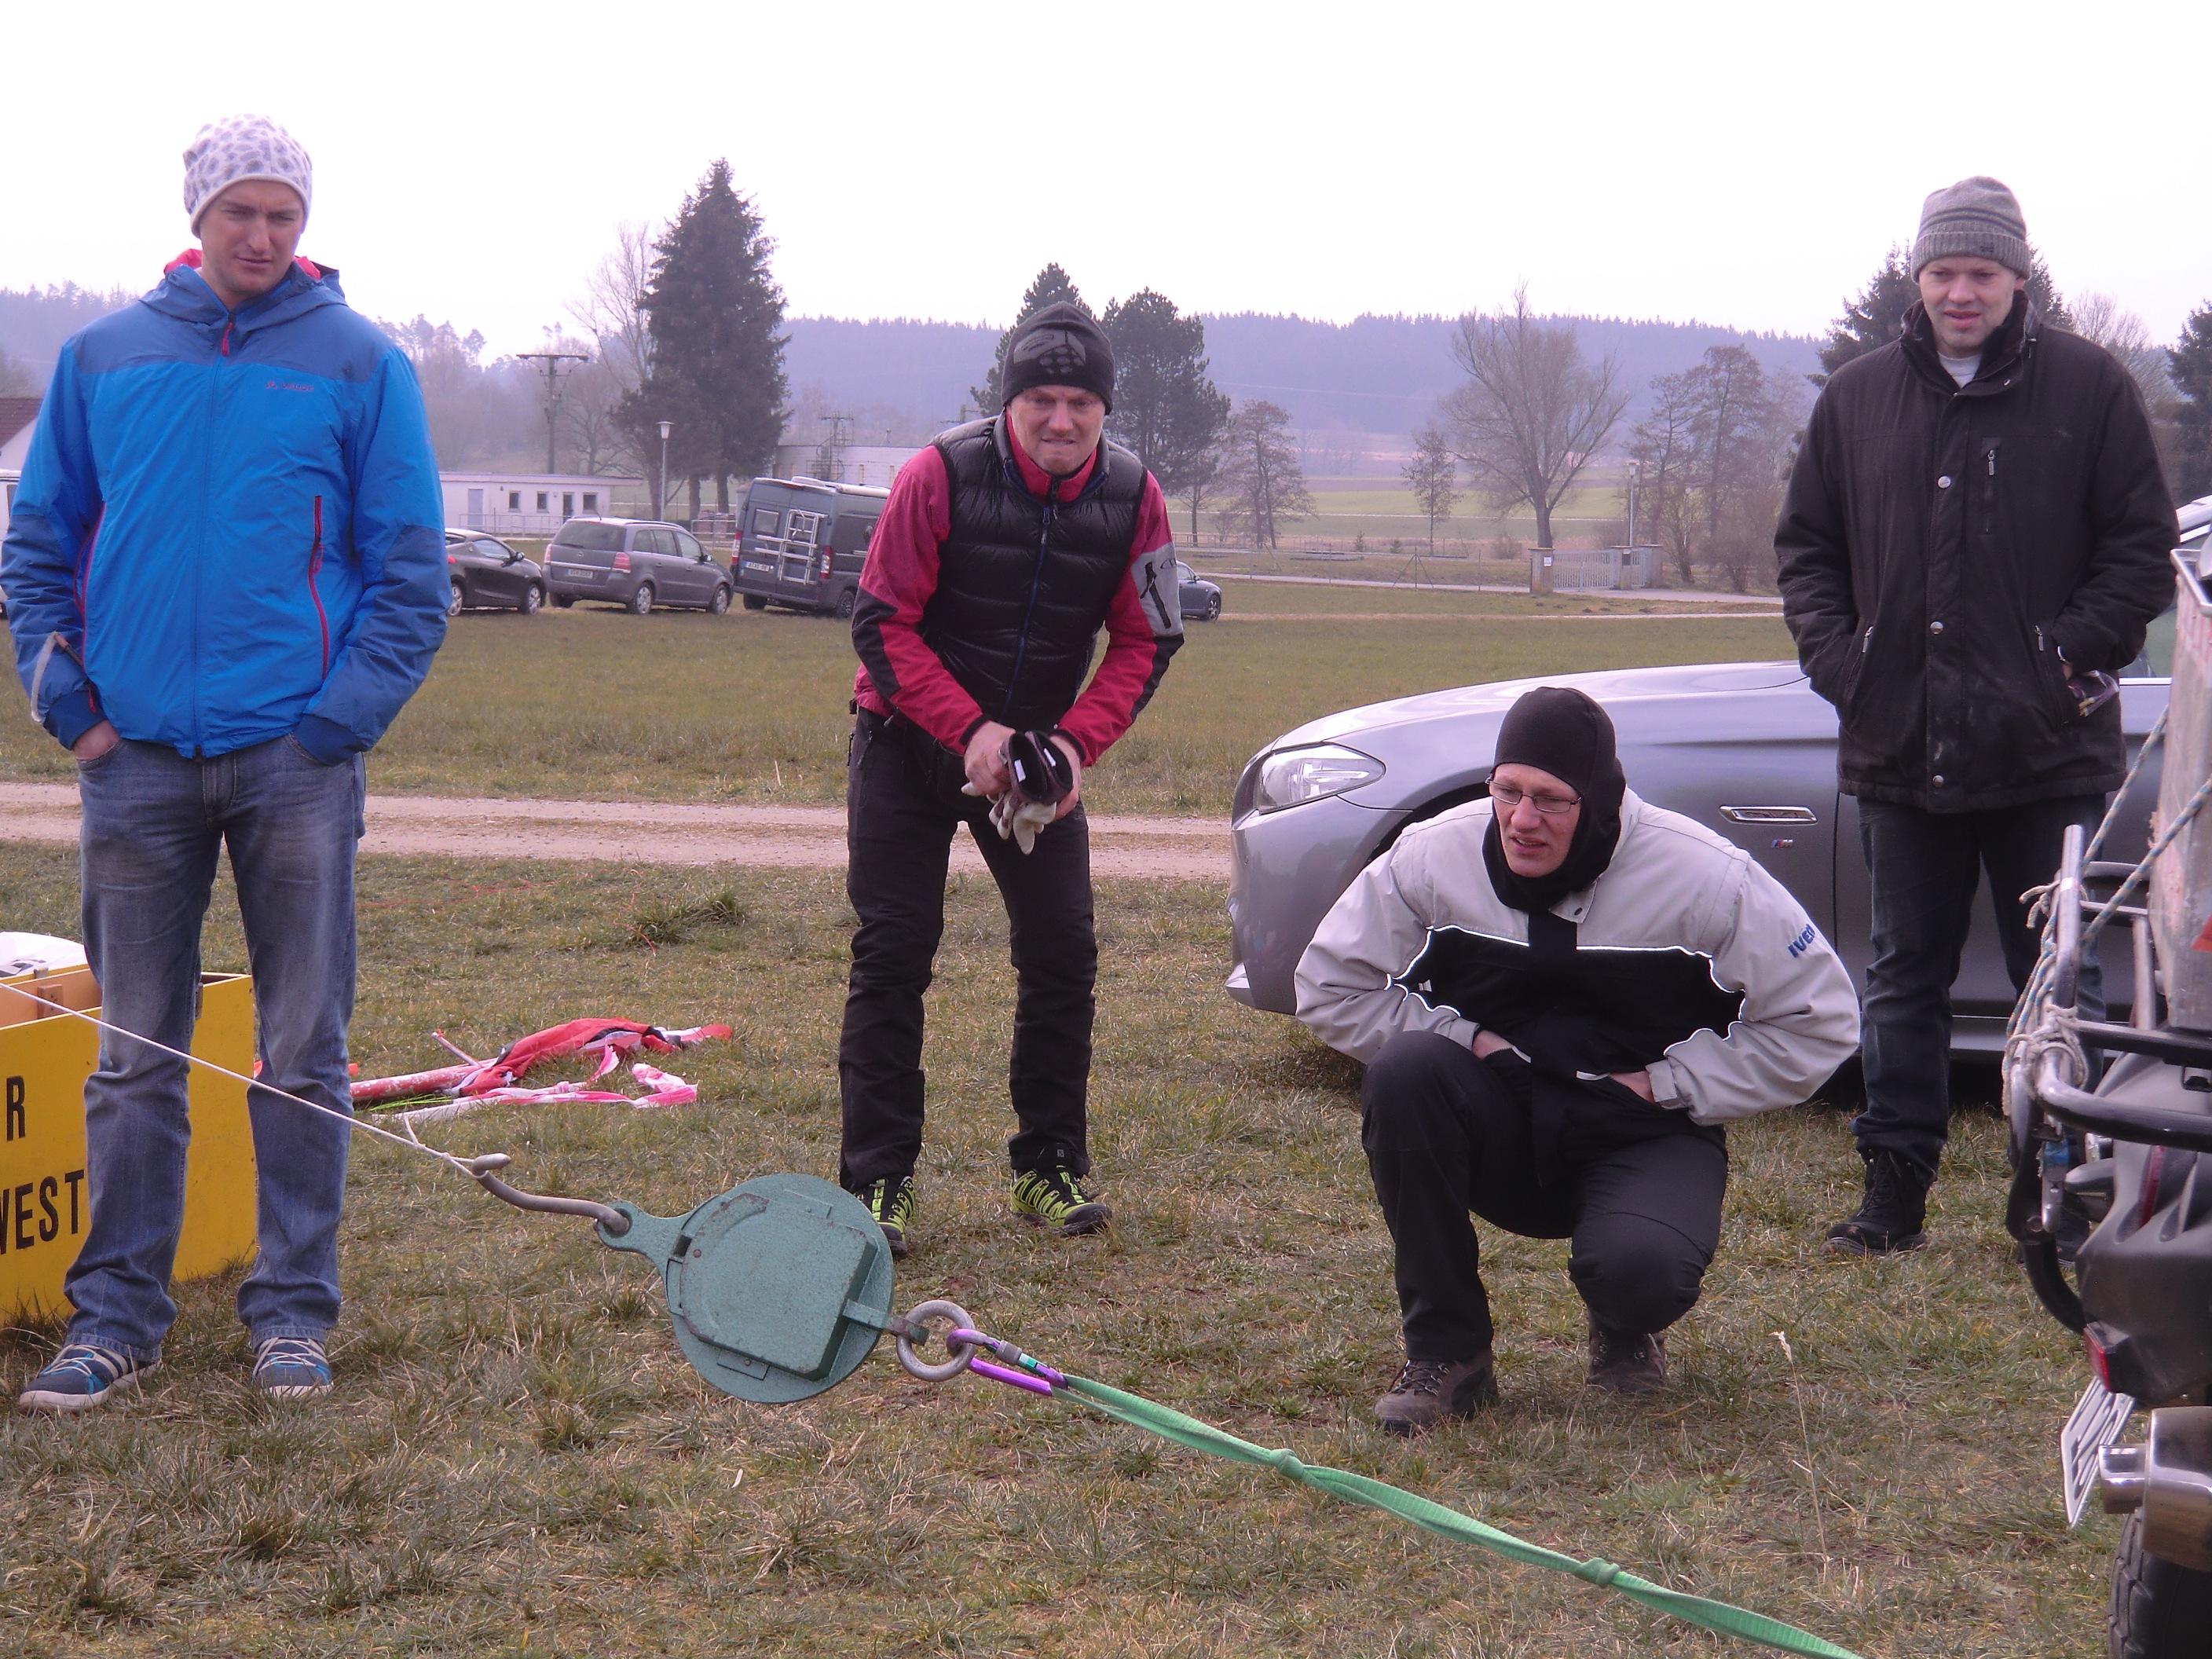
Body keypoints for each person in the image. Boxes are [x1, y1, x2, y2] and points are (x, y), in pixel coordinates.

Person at [4, 115, 446, 1412]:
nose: (262, 236)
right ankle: (114, 1320)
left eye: (283, 215)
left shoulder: (360, 364)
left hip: (294, 763)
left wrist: (333, 725)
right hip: (131, 760)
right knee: (134, 1054)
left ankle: (293, 1315)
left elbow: (411, 574)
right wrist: (71, 706)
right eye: (240, 212)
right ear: (197, 215)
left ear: (305, 226)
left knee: (304, 1050)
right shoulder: (103, 358)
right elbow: (37, 546)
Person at [1776, 177, 2174, 1254]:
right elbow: (1807, 550)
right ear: (1919, 279)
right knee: (1901, 978)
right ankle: (1892, 1194)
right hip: (1900, 747)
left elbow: (2139, 554)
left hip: (2047, 752)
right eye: (1944, 272)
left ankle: (2062, 1192)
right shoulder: (1857, 399)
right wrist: (1846, 666)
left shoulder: (2089, 389)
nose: (1961, 293)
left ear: (2016, 280)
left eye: (1981, 274)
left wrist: (2058, 660)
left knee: (2065, 980)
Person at [1296, 687, 1858, 1432]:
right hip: (1500, 1119)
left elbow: (1822, 1020)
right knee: (1406, 1071)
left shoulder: (1705, 875)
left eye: (1552, 800)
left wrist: (1669, 1083)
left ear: (1599, 801)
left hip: (1640, 1126)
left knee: (1642, 1274)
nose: (1522, 820)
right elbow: (1329, 984)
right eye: (1507, 791)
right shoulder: (1434, 854)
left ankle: (1625, 1324)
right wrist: (1470, 1042)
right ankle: (1448, 1352)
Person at [838, 302, 1182, 1255]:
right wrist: (968, 732)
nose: (1060, 420)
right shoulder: (935, 475)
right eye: (1040, 400)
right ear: (1009, 404)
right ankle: (875, 1183)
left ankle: (1048, 1163)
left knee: (1063, 952)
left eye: (1080, 403)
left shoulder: (1135, 496)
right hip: (905, 742)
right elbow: (879, 622)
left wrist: (1070, 747)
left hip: (1034, 760)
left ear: (1104, 409)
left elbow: (1149, 638)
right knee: (894, 953)